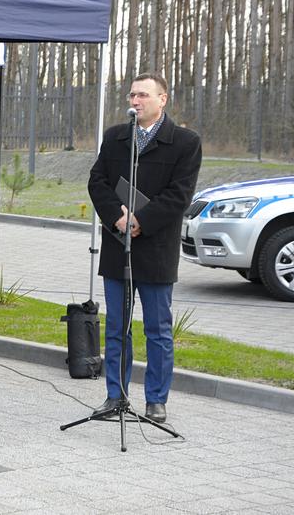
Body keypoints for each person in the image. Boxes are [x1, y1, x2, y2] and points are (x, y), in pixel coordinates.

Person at [88, 73, 202, 423]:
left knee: (158, 329)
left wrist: (141, 221)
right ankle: (115, 396)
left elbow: (180, 194)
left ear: (162, 99)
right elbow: (98, 181)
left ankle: (156, 399)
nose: (135, 101)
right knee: (116, 328)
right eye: (132, 95)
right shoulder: (116, 137)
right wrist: (117, 218)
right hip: (117, 245)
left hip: (155, 249)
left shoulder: (184, 142)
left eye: (143, 95)